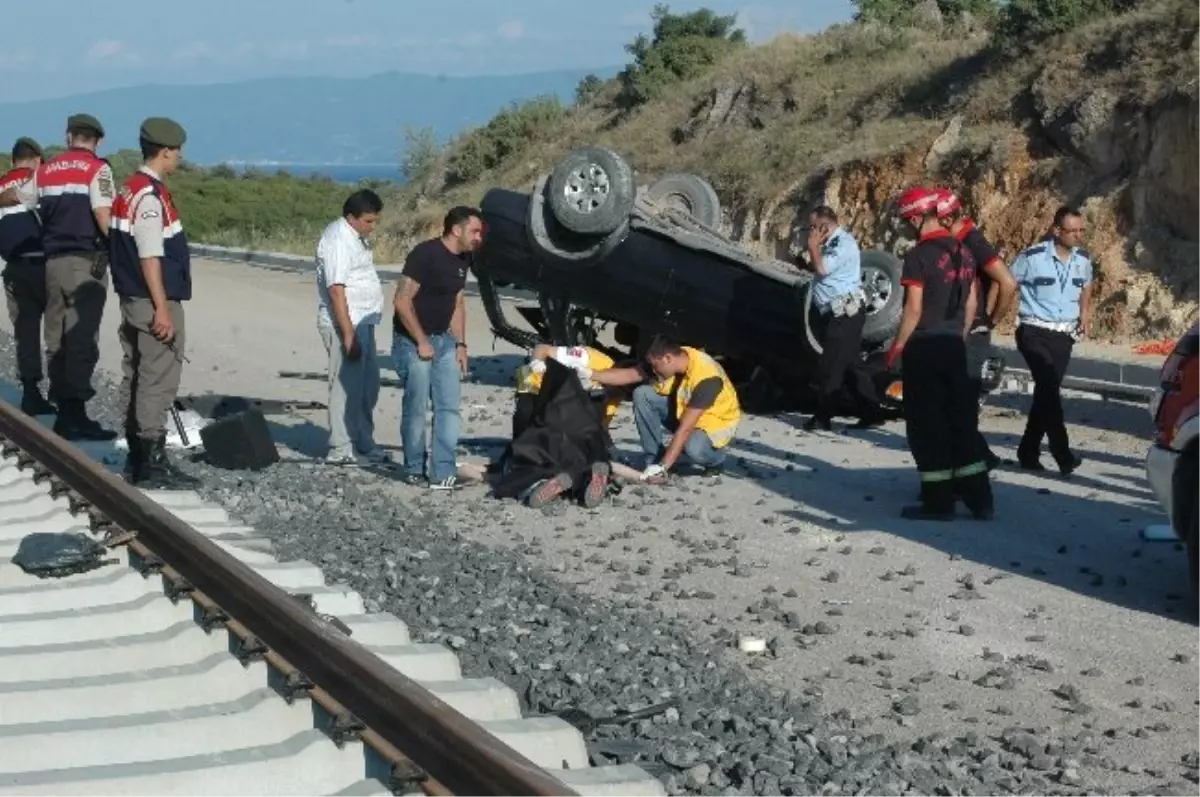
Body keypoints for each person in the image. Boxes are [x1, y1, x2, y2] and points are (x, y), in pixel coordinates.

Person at [885, 186, 992, 521]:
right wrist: (957, 338)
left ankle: (938, 502)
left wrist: (897, 348)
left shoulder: (917, 257)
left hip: (925, 348)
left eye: (906, 222)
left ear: (917, 218)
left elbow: (913, 310)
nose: (905, 228)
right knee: (961, 423)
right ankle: (980, 500)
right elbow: (972, 304)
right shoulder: (966, 251)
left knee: (927, 426)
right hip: (954, 349)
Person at [109, 117, 193, 485]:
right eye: (177, 152)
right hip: (151, 299)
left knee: (138, 376)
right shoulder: (149, 197)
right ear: (165, 152)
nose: (179, 158)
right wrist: (162, 308)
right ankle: (151, 464)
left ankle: (138, 459)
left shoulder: (128, 188)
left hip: (132, 298)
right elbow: (149, 255)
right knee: (157, 379)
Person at [36, 113, 117, 441]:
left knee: (55, 337)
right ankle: (75, 414)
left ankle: (59, 404)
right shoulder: (98, 168)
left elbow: (17, 198)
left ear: (69, 136)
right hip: (85, 263)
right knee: (81, 338)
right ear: (98, 140)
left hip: (52, 263)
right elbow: (102, 212)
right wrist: (121, 250)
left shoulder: (45, 170)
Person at [392, 206, 483, 489]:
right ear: (456, 230)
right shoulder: (425, 254)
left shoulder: (464, 258)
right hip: (412, 342)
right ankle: (413, 469)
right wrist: (420, 340)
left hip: (445, 342)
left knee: (449, 409)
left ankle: (443, 472)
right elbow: (401, 301)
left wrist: (461, 344)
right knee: (416, 408)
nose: (479, 237)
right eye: (475, 231)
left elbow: (457, 302)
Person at [933, 188, 1018, 469]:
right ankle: (979, 459)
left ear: (944, 220)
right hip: (968, 330)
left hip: (971, 335)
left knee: (959, 406)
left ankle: (975, 468)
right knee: (957, 406)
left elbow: (1006, 282)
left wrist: (989, 320)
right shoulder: (964, 239)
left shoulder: (972, 240)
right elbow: (993, 281)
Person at [1009, 206, 1092, 475]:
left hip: (1063, 335)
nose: (1078, 236)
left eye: (1081, 230)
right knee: (1048, 386)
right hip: (1033, 330)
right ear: (1057, 231)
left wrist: (1085, 314)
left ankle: (1027, 451)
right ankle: (1062, 453)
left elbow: (1086, 285)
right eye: (1072, 231)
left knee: (1046, 393)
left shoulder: (1083, 260)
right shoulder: (1032, 257)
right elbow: (1007, 283)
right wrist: (995, 315)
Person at [590, 335, 741, 481]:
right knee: (642, 394)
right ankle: (654, 458)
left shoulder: (707, 379)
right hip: (685, 411)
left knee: (693, 447)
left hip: (715, 423)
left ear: (667, 359)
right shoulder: (671, 358)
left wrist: (663, 467)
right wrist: (589, 373)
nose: (653, 371)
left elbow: (685, 429)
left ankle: (716, 460)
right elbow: (629, 375)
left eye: (655, 366)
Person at [316, 189, 389, 465]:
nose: (373, 226)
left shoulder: (356, 238)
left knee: (368, 386)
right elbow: (336, 290)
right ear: (352, 217)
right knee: (345, 388)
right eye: (368, 221)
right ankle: (340, 448)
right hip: (346, 324)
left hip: (364, 321)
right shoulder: (338, 240)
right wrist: (348, 334)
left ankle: (363, 441)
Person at [799, 206, 883, 431]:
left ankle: (822, 417)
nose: (811, 232)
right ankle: (871, 410)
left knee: (831, 366)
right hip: (839, 314)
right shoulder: (831, 243)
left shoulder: (842, 244)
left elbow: (823, 269)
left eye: (813, 228)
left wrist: (812, 246)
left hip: (844, 314)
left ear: (824, 227)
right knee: (851, 365)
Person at [0, 137, 55, 415]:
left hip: (14, 269)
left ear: (13, 161)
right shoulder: (40, 181)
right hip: (45, 266)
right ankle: (63, 392)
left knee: (26, 331)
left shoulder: (1, 185)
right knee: (60, 329)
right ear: (36, 160)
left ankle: (31, 392)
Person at [514, 343, 623, 438]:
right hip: (535, 375)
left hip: (561, 396)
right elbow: (541, 348)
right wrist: (536, 363)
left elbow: (601, 428)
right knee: (525, 415)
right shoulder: (590, 357)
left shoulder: (615, 397)